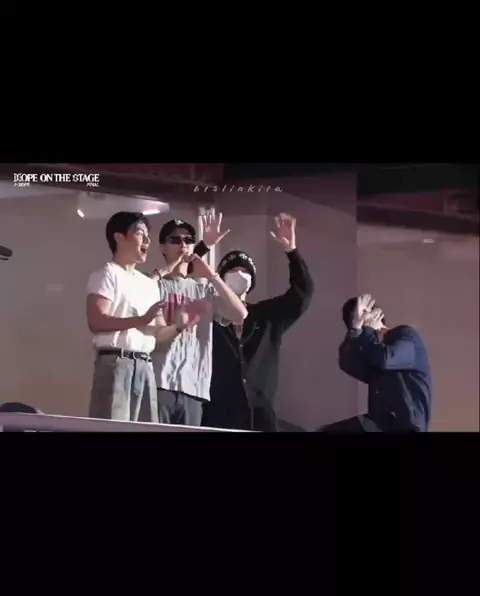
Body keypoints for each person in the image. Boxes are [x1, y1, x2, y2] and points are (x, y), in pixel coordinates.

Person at [201, 213, 314, 432]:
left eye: (245, 271)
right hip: (218, 415)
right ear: (221, 279)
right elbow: (183, 277)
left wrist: (291, 251)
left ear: (252, 280)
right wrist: (203, 246)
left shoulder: (267, 315)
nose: (239, 274)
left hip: (261, 415)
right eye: (233, 270)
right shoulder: (208, 317)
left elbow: (303, 293)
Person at [86, 211, 202, 422]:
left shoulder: (148, 284)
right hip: (115, 362)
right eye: (140, 233)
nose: (147, 240)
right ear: (119, 237)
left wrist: (179, 326)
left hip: (145, 365)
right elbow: (97, 321)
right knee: (113, 425)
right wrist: (141, 320)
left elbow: (157, 334)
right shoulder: (107, 274)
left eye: (148, 235)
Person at [150, 215, 247, 427]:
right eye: (175, 240)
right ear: (162, 247)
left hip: (194, 386)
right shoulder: (154, 285)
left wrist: (212, 275)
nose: (182, 244)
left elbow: (240, 314)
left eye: (188, 240)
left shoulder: (204, 289)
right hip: (158, 382)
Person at [335, 294, 432, 432]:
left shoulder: (406, 335)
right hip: (380, 424)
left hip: (408, 427)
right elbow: (347, 363)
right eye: (358, 320)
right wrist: (354, 331)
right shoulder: (369, 347)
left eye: (364, 315)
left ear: (377, 314)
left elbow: (386, 359)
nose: (363, 322)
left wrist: (368, 331)